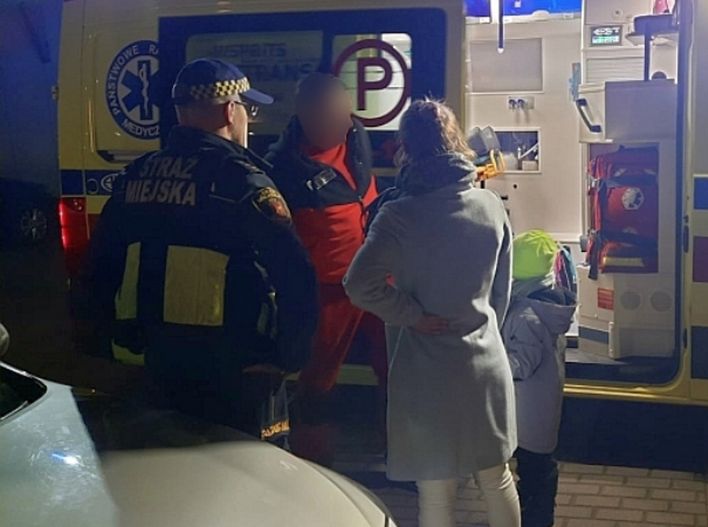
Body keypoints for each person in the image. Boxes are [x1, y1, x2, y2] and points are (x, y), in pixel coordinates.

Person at [73, 58, 318, 436]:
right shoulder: (242, 183)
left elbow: (99, 267)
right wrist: (287, 357)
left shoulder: (137, 176)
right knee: (250, 466)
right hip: (237, 367)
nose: (248, 120)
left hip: (159, 361)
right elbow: (296, 276)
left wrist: (100, 346)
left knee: (174, 456)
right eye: (247, 109)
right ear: (230, 110)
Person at [343, 99, 520, 527]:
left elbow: (358, 284)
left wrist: (412, 315)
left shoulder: (398, 215)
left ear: (406, 147)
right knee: (496, 479)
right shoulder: (489, 205)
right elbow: (502, 290)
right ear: (456, 141)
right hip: (484, 362)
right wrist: (482, 326)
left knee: (436, 492)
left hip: (425, 371)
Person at [265, 73, 388, 464]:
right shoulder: (281, 168)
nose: (339, 125)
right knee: (319, 379)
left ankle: (400, 451)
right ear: (304, 115)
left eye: (342, 116)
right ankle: (313, 462)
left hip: (379, 278)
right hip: (329, 291)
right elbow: (276, 244)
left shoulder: (357, 137)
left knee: (396, 367)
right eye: (327, 117)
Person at [502, 230, 576, 527]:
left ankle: (536, 519)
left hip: (527, 412)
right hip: (542, 406)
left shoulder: (526, 315)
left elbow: (521, 364)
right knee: (539, 468)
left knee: (534, 471)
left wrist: (491, 364)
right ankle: (536, 515)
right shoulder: (546, 306)